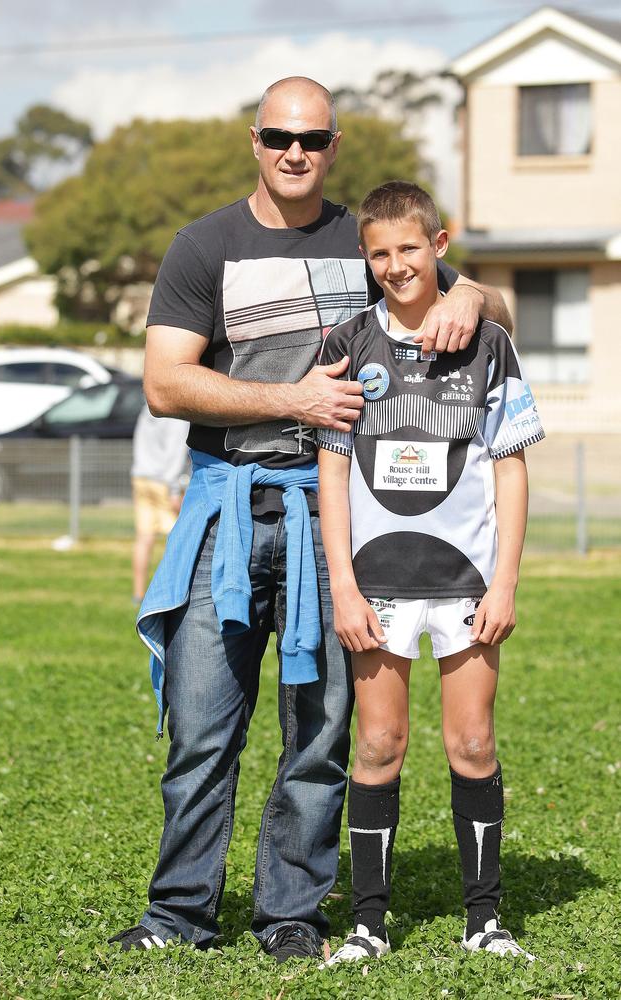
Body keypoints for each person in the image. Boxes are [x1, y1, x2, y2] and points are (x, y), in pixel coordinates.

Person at [108, 77, 513, 963]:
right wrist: (288, 397)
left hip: (340, 525)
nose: (297, 151)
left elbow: (467, 296)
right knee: (204, 726)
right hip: (230, 507)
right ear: (253, 140)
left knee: (324, 732)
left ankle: (292, 912)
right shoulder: (203, 245)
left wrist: (471, 295)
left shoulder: (361, 239)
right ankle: (180, 915)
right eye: (279, 136)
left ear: (335, 146)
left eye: (315, 138)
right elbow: (167, 382)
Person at [316, 181, 544, 967]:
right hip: (375, 584)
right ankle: (367, 924)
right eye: (378, 253)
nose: (393, 265)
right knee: (378, 743)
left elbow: (511, 472)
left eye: (408, 249)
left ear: (438, 247)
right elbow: (333, 474)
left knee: (472, 741)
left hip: (468, 583)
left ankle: (485, 919)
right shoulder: (347, 344)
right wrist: (342, 585)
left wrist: (506, 581)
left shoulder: (489, 342)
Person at [131, 403, 191, 604]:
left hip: (141, 476)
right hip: (164, 482)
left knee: (144, 537)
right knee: (179, 539)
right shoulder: (176, 413)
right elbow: (175, 452)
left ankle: (138, 594)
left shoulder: (147, 407)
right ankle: (171, 594)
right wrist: (174, 490)